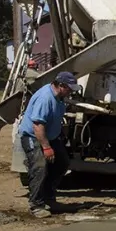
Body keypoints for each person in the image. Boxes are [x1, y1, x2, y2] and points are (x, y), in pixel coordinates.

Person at [19, 71, 79, 217]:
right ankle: (36, 204)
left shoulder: (59, 97)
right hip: (33, 137)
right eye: (69, 88)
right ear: (60, 85)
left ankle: (48, 197)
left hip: (50, 136)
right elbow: (38, 126)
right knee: (40, 167)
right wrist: (46, 148)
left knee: (62, 163)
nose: (70, 92)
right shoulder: (45, 98)